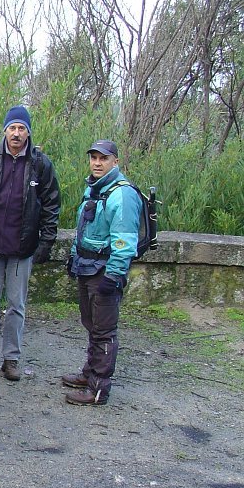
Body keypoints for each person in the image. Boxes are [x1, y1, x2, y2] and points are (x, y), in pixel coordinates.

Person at [0, 106, 61, 381]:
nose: (17, 134)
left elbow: (52, 203)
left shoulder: (40, 164)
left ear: (28, 133)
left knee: (16, 304)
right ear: (5, 131)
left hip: (23, 247)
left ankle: (11, 358)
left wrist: (46, 240)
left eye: (22, 129)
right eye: (13, 128)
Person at [64, 140, 141, 406]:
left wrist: (114, 275)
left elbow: (125, 241)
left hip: (104, 271)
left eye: (103, 159)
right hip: (87, 266)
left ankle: (98, 389)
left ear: (115, 162)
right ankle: (89, 374)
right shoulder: (94, 190)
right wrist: (74, 256)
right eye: (94, 158)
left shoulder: (122, 195)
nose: (97, 163)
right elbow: (83, 229)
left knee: (104, 331)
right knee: (92, 325)